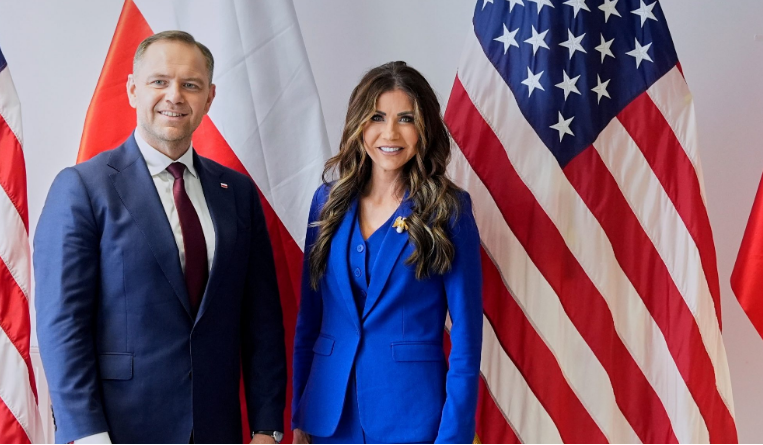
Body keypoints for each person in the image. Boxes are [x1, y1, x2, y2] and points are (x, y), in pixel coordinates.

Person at [34, 30, 286, 444]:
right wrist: (87, 434)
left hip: (216, 429)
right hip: (117, 431)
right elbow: (62, 324)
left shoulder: (237, 193)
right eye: (159, 81)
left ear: (209, 97)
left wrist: (266, 427)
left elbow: (262, 320)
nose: (175, 96)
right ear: (133, 90)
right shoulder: (82, 188)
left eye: (191, 85)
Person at [291, 62, 483, 444]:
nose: (390, 132)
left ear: (424, 128)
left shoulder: (448, 210)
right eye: (377, 117)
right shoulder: (326, 202)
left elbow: (466, 336)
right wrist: (301, 412)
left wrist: (455, 436)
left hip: (412, 416)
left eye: (406, 119)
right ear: (359, 123)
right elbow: (309, 319)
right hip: (329, 416)